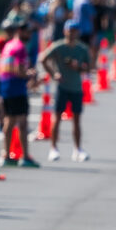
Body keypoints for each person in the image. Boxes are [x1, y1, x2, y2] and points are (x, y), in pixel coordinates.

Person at [40, 20, 92, 162]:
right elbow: (43, 59)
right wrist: (54, 74)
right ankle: (53, 149)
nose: (72, 33)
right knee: (57, 118)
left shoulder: (82, 49)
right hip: (62, 87)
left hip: (76, 87)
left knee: (76, 120)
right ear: (65, 31)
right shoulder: (58, 46)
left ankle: (77, 149)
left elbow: (89, 67)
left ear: (78, 33)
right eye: (70, 30)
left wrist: (78, 66)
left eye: (74, 31)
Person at [0, 20, 39, 168]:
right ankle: (25, 156)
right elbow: (19, 70)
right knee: (22, 123)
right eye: (28, 32)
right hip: (16, 88)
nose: (30, 35)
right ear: (20, 31)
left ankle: (7, 154)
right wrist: (30, 75)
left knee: (9, 121)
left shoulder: (9, 45)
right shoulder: (20, 47)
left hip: (6, 87)